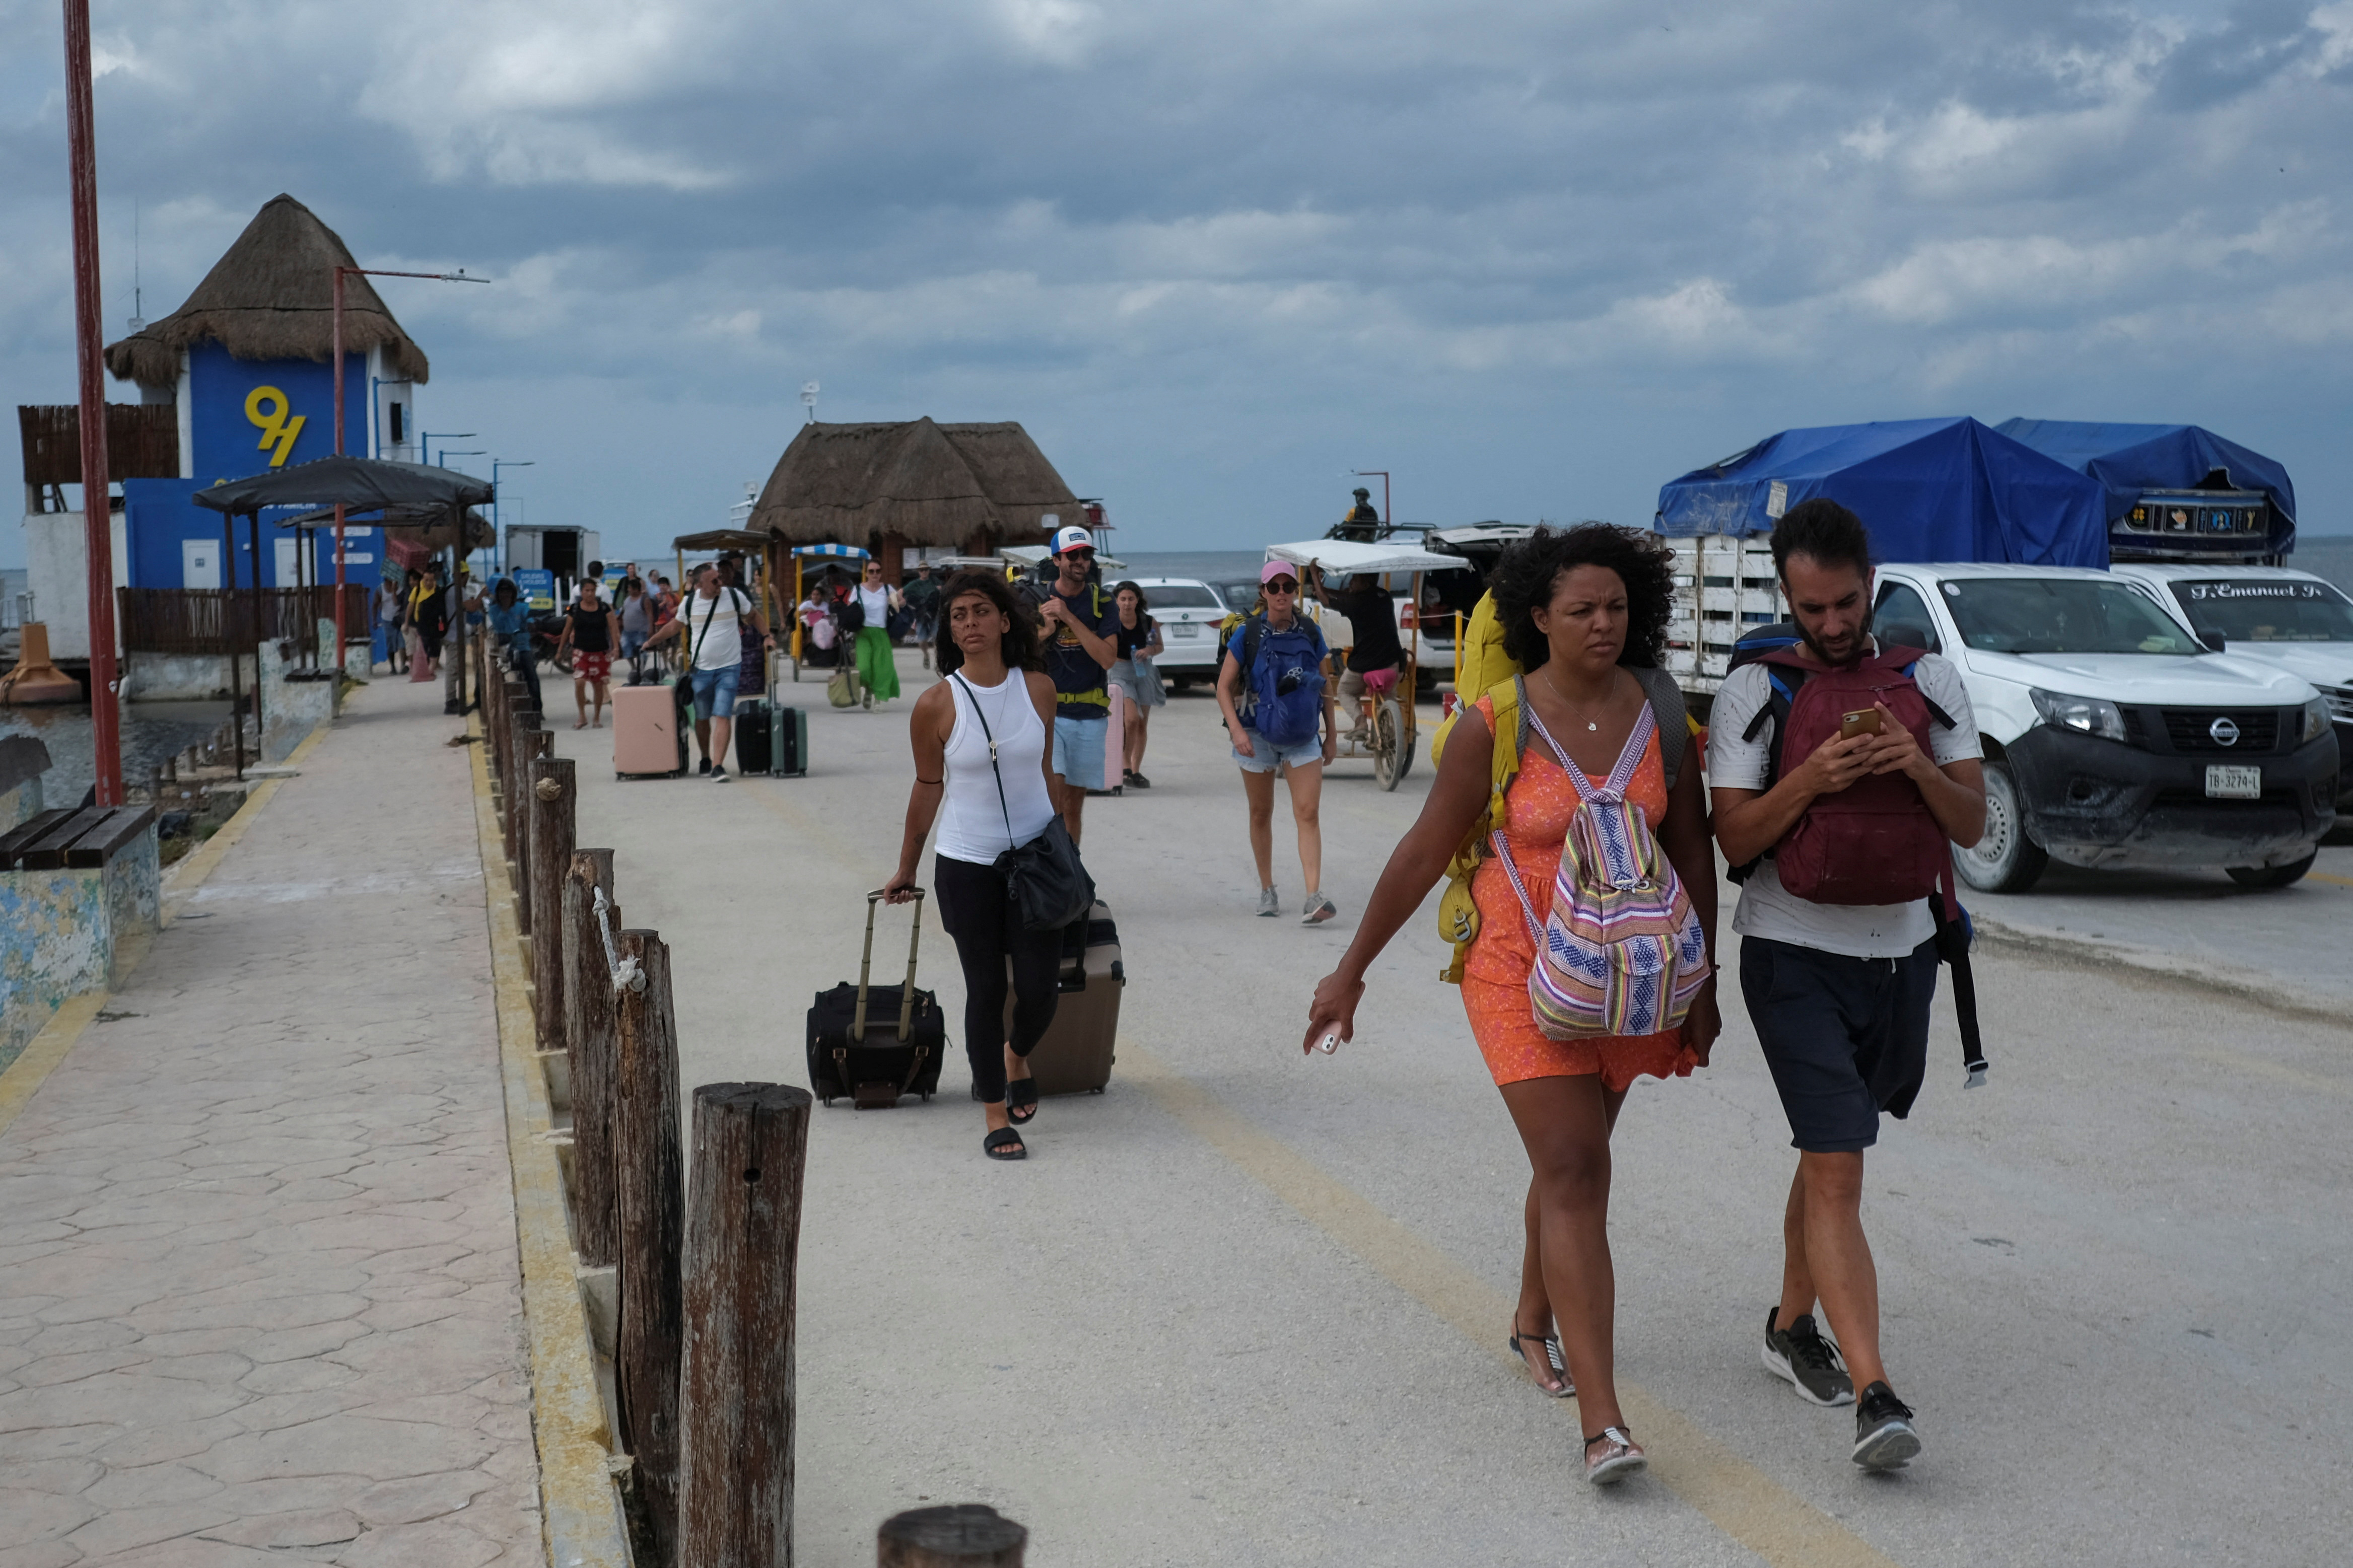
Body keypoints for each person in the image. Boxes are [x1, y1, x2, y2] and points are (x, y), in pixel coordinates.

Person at [1305, 524, 1721, 1485]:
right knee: (1575, 1162)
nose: (1602, 623)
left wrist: (1703, 982)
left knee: (1573, 1158)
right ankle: (1605, 1424)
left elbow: (1693, 845)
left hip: (1633, 975)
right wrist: (1351, 969)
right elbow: (1421, 850)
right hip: (1517, 969)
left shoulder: (1662, 712)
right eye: (1580, 609)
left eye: (1616, 606)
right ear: (1538, 616)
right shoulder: (1493, 724)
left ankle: (1533, 1317)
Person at [1707, 498, 1985, 1473]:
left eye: (1843, 603)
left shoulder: (1931, 680)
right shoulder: (1755, 691)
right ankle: (1875, 1394)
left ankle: (1788, 1325)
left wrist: (1910, 761)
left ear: (1870, 583)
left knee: (1832, 1150)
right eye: (1809, 607)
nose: (1829, 625)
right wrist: (1815, 776)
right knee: (1837, 1165)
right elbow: (1733, 839)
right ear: (1784, 596)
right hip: (1790, 956)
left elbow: (1969, 825)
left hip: (1902, 956)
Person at [882, 571, 1064, 1161]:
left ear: (1005, 621)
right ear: (949, 631)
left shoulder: (1038, 689)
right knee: (986, 988)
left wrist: (1065, 846)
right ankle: (993, 1110)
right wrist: (906, 867)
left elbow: (1044, 771)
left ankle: (1017, 1054)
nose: (969, 623)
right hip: (967, 864)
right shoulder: (936, 704)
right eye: (958, 615)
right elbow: (927, 787)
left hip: (1036, 860)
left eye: (980, 611)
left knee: (1040, 990)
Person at [1216, 560, 1339, 923]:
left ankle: (1313, 896)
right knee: (1261, 813)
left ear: (1296, 591)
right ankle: (1267, 889)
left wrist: (1331, 734)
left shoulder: (1311, 631)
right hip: (1257, 735)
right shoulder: (1249, 633)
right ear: (1263, 592)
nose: (1282, 593)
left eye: (1289, 587)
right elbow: (1224, 687)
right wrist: (1237, 731)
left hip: (1303, 735)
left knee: (1308, 812)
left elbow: (1325, 683)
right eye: (1275, 587)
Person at [641, 562, 771, 780]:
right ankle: (705, 758)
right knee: (702, 717)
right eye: (714, 581)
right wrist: (652, 641)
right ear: (700, 584)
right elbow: (674, 626)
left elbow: (754, 616)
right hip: (701, 670)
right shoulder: (690, 603)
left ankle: (718, 766)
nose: (720, 583)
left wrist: (768, 636)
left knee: (722, 715)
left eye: (719, 578)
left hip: (730, 667)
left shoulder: (734, 596)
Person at [1030, 526, 1119, 843]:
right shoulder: (1036, 600)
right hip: (1048, 714)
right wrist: (1042, 634)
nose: (1081, 561)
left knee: (1073, 805)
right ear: (1056, 559)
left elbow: (1108, 659)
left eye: (1086, 554)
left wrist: (1068, 618)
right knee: (1052, 799)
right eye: (1073, 555)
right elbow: (1019, 659)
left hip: (1089, 714)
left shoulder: (1103, 603)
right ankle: (1050, 876)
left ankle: (1070, 880)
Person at [1306, 563, 1404, 741]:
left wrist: (1315, 575)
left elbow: (1325, 600)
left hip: (1365, 664)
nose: (1350, 582)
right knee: (1388, 695)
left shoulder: (1356, 603)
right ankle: (1390, 732)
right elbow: (1348, 597)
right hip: (1393, 661)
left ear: (1365, 583)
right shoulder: (1385, 597)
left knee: (1345, 691)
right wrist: (1327, 589)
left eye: (1355, 579)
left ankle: (1360, 722)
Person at [1106, 580, 1165, 788]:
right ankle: (1124, 766)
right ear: (1116, 601)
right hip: (1120, 672)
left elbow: (1159, 646)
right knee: (1130, 719)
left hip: (1144, 672)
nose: (1127, 603)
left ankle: (1135, 769)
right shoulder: (1111, 621)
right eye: (1123, 599)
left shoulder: (1147, 621)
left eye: (1131, 599)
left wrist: (1148, 651)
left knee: (1142, 724)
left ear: (1138, 600)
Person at [555, 578, 620, 729]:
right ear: (582, 592)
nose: (590, 594)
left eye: (592, 590)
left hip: (600, 652)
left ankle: (597, 718)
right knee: (579, 682)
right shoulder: (575, 609)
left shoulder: (604, 608)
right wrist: (560, 651)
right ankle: (582, 716)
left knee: (598, 686)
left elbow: (612, 628)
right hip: (580, 652)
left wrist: (616, 648)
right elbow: (566, 630)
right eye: (587, 591)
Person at [851, 558, 904, 706]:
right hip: (863, 633)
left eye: (878, 571)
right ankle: (868, 689)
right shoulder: (858, 589)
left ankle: (878, 699)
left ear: (881, 573)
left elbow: (902, 602)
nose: (875, 574)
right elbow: (850, 607)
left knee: (882, 667)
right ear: (866, 573)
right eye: (871, 571)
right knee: (864, 668)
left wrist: (893, 602)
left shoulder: (887, 589)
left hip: (881, 632)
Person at [485, 577, 540, 709]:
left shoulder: (522, 607)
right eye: (502, 593)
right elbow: (494, 625)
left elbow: (529, 619)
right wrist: (504, 611)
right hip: (502, 648)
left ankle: (537, 706)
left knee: (531, 675)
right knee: (492, 674)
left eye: (508, 593)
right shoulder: (494, 611)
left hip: (522, 646)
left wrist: (531, 625)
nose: (505, 596)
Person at [407, 562, 447, 681]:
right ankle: (426, 670)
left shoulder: (439, 591)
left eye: (431, 580)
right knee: (425, 646)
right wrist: (406, 622)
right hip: (422, 624)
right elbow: (411, 605)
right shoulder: (418, 589)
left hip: (435, 624)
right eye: (426, 580)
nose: (428, 583)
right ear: (423, 579)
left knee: (435, 646)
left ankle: (431, 670)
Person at [903, 562, 943, 666]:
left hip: (934, 613)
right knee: (922, 641)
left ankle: (938, 660)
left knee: (937, 638)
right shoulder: (915, 584)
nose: (924, 572)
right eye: (922, 570)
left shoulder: (934, 581)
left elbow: (944, 590)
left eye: (926, 570)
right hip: (921, 615)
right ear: (919, 572)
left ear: (929, 571)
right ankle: (926, 654)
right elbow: (902, 591)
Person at [618, 577, 654, 677]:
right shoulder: (627, 600)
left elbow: (650, 615)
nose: (629, 590)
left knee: (642, 651)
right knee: (626, 648)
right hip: (627, 631)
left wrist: (651, 628)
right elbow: (623, 612)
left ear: (636, 589)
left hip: (641, 631)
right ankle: (633, 668)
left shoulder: (645, 600)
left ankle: (641, 668)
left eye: (630, 588)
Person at [376, 574, 407, 674]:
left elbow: (397, 603)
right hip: (387, 620)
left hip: (399, 619)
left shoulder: (401, 589)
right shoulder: (380, 590)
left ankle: (403, 666)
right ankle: (393, 667)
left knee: (402, 643)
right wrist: (374, 620)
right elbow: (375, 605)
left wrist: (394, 591)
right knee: (390, 644)